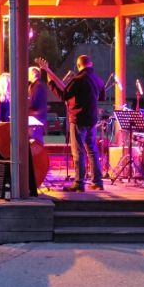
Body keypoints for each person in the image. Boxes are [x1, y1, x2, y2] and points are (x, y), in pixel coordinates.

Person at [37, 55, 116, 192]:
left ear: (79, 65)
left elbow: (64, 96)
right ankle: (97, 182)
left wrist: (51, 83)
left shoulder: (78, 79)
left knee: (78, 151)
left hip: (78, 119)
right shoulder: (98, 79)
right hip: (91, 120)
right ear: (90, 64)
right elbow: (101, 97)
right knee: (92, 151)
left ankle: (79, 183)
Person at [28, 66, 49, 144]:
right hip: (37, 117)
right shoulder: (37, 85)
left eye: (29, 73)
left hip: (36, 118)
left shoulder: (37, 86)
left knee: (36, 141)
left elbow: (33, 102)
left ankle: (38, 156)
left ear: (33, 74)